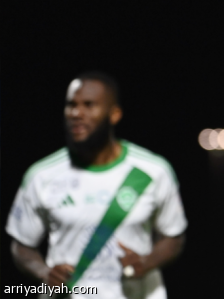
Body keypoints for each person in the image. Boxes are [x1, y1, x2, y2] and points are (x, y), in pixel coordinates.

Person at [6, 72, 187, 299]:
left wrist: (147, 262)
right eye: (71, 105)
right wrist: (44, 273)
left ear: (114, 114)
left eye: (89, 105)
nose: (76, 114)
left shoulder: (153, 171)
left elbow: (174, 236)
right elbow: (22, 245)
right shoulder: (41, 175)